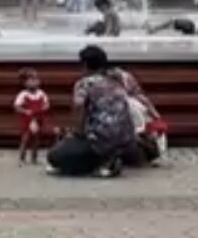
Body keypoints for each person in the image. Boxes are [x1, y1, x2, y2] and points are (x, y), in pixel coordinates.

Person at [47, 46, 148, 177]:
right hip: (126, 139)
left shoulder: (83, 84)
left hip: (99, 141)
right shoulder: (116, 81)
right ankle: (108, 161)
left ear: (84, 65)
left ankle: (102, 163)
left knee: (55, 156)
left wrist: (74, 135)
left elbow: (79, 112)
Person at [13, 69, 51, 165]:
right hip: (28, 119)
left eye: (36, 79)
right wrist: (25, 111)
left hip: (38, 118)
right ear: (25, 83)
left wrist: (45, 107)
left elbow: (47, 103)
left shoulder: (41, 93)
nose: (35, 82)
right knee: (25, 138)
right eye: (31, 80)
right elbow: (17, 106)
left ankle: (34, 158)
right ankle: (22, 157)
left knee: (36, 139)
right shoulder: (23, 94)